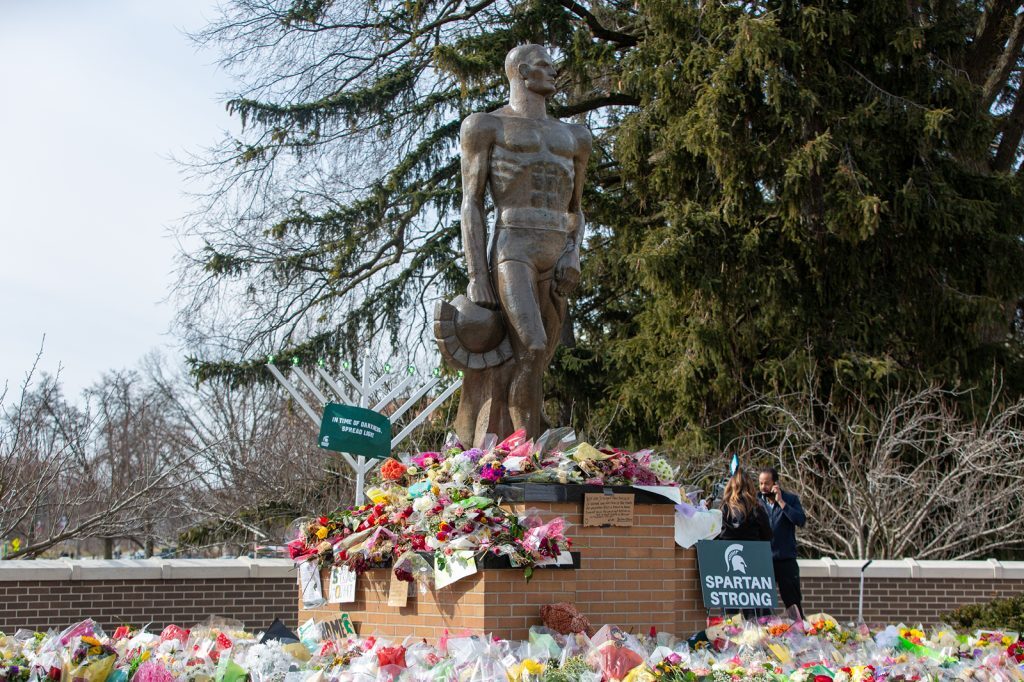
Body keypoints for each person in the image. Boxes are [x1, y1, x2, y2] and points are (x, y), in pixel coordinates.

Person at [441, 43, 592, 445]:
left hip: (556, 251)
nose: (554, 71)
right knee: (532, 345)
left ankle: (520, 443)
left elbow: (576, 209)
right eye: (544, 65)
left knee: (537, 360)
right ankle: (523, 451)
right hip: (514, 247)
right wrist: (477, 274)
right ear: (523, 72)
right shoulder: (485, 126)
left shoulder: (575, 137)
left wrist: (573, 253)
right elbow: (472, 203)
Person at [758, 467, 806, 618]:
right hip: (764, 561)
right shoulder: (756, 501)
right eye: (760, 483)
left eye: (766, 483)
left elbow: (800, 520)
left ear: (775, 484)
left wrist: (781, 502)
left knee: (793, 604)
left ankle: (798, 628)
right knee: (762, 607)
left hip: (785, 559)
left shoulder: (790, 499)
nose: (763, 487)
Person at [719, 470, 773, 543]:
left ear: (731, 486)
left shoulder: (724, 508)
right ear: (750, 486)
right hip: (753, 548)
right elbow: (768, 536)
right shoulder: (757, 508)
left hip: (725, 548)